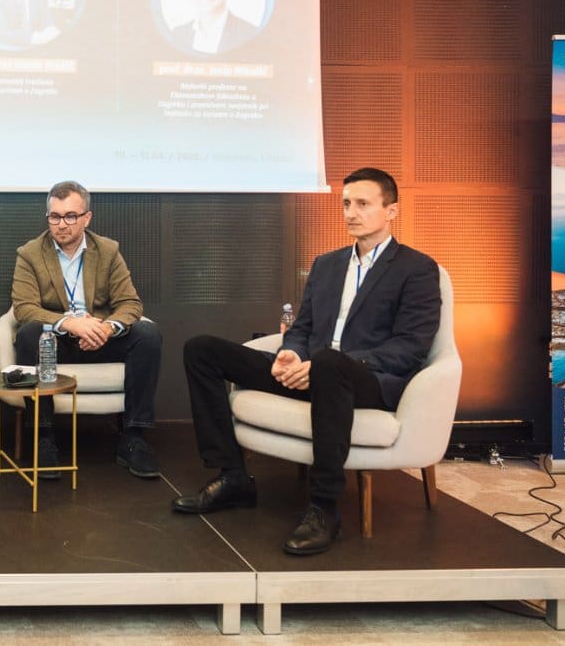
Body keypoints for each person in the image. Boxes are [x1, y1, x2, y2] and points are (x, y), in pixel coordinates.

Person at [173, 167, 442, 556]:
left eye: (363, 204)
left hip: (366, 379)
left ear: (391, 211)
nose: (351, 212)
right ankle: (233, 476)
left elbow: (410, 347)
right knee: (202, 349)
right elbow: (302, 327)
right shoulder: (327, 264)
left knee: (331, 363)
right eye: (346, 204)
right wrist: (293, 353)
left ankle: (324, 507)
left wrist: (325, 363)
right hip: (310, 372)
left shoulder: (416, 269)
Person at [10, 181, 163, 480]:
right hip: (58, 342)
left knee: (148, 335)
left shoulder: (107, 250)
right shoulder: (30, 254)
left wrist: (106, 329)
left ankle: (133, 438)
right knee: (28, 334)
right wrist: (70, 323)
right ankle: (44, 437)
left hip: (101, 340)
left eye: (70, 216)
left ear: (87, 218)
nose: (61, 224)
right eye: (55, 216)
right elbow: (24, 308)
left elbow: (130, 303)